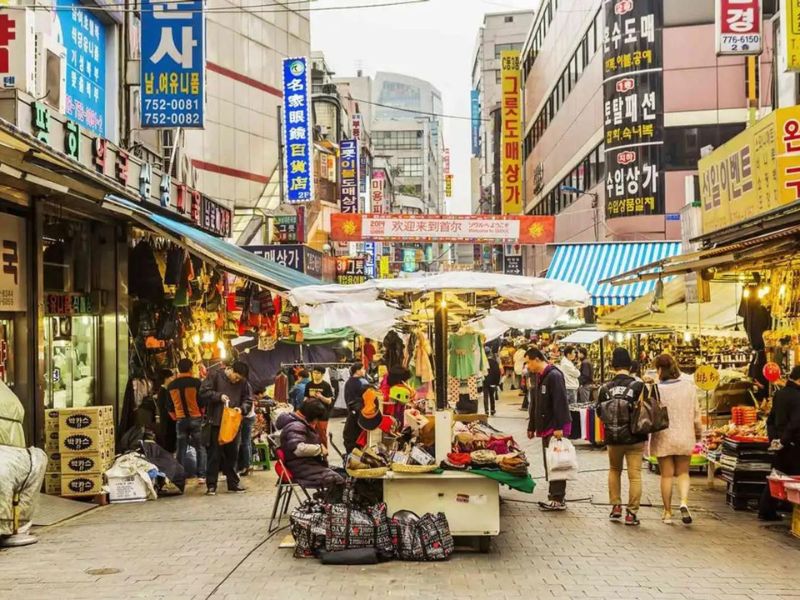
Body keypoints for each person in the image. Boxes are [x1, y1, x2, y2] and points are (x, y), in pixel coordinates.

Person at [596, 348, 647, 526]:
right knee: (635, 476)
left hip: (613, 437)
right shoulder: (639, 386)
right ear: (630, 365)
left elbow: (599, 412)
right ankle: (631, 513)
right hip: (635, 437)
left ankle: (615, 507)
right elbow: (647, 411)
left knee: (614, 470)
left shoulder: (604, 388)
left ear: (613, 365)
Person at [649, 354, 702, 525]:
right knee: (683, 473)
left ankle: (667, 512)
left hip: (664, 436)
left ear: (659, 370)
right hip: (685, 435)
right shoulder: (689, 387)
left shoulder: (657, 389)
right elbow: (696, 414)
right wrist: (698, 432)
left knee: (666, 475)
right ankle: (684, 502)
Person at [525, 348, 571, 511]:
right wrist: (532, 425)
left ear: (536, 359)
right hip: (545, 426)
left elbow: (560, 402)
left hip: (554, 427)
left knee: (556, 462)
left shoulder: (554, 376)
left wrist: (559, 427)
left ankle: (557, 498)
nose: (527, 366)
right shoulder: (539, 377)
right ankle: (554, 496)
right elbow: (535, 403)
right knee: (550, 462)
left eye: (528, 362)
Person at [199, 361, 252, 495]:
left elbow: (248, 399)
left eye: (240, 379)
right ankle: (211, 485)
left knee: (232, 454)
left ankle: (233, 483)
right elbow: (203, 393)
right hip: (216, 422)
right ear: (231, 370)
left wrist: (241, 409)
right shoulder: (215, 376)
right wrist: (219, 396)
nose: (237, 380)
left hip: (233, 423)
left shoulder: (244, 383)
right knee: (214, 455)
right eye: (236, 377)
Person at [759, 365, 800, 521]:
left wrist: (774, 440)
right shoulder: (797, 397)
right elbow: (796, 423)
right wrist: (784, 441)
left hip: (779, 442)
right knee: (794, 478)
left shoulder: (780, 394)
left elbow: (770, 420)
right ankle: (790, 511)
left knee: (776, 476)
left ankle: (766, 510)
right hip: (794, 443)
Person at [276, 399, 345, 489]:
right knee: (336, 479)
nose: (316, 421)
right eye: (316, 418)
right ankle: (329, 502)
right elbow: (298, 449)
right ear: (311, 416)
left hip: (305, 465)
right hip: (301, 468)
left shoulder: (299, 423)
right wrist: (319, 449)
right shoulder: (296, 426)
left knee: (343, 473)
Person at [168, 358, 206, 483]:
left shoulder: (171, 385)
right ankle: (201, 476)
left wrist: (176, 417)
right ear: (190, 368)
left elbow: (169, 406)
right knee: (200, 447)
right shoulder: (196, 382)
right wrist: (202, 413)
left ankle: (180, 477)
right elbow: (202, 402)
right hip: (196, 418)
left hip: (180, 420)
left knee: (181, 449)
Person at [304, 366, 334, 448]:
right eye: (314, 372)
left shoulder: (326, 385)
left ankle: (324, 453)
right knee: (310, 435)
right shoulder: (308, 385)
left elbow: (329, 401)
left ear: (322, 374)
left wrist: (321, 397)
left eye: (317, 373)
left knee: (322, 435)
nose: (315, 374)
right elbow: (305, 397)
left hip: (322, 415)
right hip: (310, 414)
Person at [343, 363, 368, 453]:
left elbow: (347, 398)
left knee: (350, 434)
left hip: (351, 412)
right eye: (363, 369)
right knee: (358, 436)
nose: (364, 370)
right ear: (358, 371)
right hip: (361, 414)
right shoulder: (363, 382)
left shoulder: (348, 382)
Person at [237, 387, 260, 477]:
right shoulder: (249, 393)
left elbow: (246, 409)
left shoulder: (245, 394)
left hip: (246, 418)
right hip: (250, 417)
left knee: (245, 442)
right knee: (247, 442)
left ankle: (247, 466)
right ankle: (249, 465)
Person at [484, 350, 502, 416]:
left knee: (485, 396)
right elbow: (497, 373)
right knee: (492, 396)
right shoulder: (494, 362)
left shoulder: (483, 362)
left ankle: (486, 410)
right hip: (492, 382)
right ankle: (492, 410)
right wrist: (497, 383)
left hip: (485, 381)